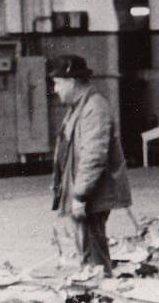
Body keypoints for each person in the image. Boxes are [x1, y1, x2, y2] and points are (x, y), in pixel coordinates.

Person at [49, 54, 131, 273]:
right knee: (88, 252)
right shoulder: (79, 107)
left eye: (57, 83)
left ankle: (103, 297)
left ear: (71, 81)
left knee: (94, 255)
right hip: (85, 194)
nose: (55, 89)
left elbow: (94, 155)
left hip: (92, 196)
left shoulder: (94, 108)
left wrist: (80, 195)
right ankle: (96, 293)